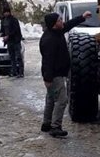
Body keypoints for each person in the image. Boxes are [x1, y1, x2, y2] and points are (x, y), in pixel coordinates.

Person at [39, 9, 91, 137]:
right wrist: (48, 78)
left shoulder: (56, 32)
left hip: (55, 75)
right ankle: (56, 127)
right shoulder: (49, 39)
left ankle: (47, 123)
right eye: (59, 20)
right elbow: (48, 61)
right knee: (62, 100)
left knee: (51, 99)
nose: (62, 21)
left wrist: (82, 17)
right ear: (53, 24)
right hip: (54, 76)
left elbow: (69, 25)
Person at [0, 6, 24, 77]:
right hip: (9, 41)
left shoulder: (14, 20)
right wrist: (2, 34)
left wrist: (8, 36)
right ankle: (14, 71)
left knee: (18, 56)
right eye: (4, 12)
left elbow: (15, 30)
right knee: (12, 57)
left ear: (9, 12)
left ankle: (21, 72)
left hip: (15, 40)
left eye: (7, 12)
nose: (6, 14)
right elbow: (2, 30)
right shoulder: (3, 20)